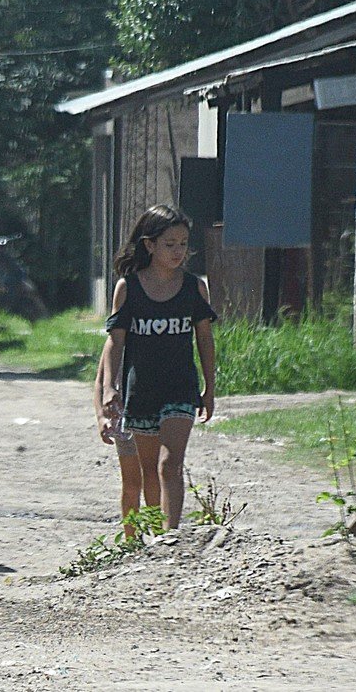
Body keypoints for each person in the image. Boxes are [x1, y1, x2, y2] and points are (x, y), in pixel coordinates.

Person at [97, 205, 217, 531]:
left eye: (183, 243)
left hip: (180, 387)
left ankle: (170, 538)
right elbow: (115, 343)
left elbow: (205, 340)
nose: (178, 251)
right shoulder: (129, 288)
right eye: (170, 244)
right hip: (141, 391)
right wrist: (109, 388)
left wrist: (209, 387)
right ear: (149, 245)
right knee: (147, 471)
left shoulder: (195, 288)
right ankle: (147, 538)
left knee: (170, 465)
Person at [92, 343, 142, 539]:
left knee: (156, 476)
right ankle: (131, 539)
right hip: (124, 416)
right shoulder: (115, 343)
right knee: (131, 483)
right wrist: (101, 417)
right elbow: (99, 383)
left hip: (154, 414)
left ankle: (161, 534)